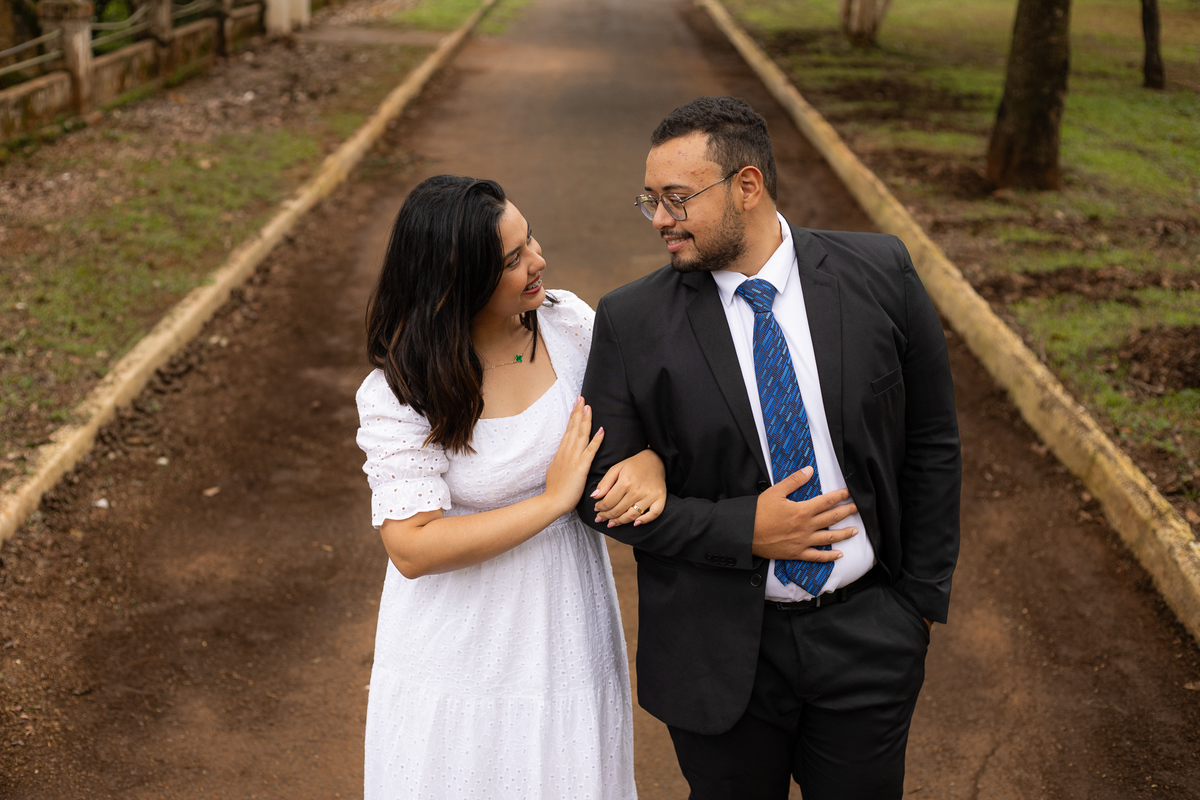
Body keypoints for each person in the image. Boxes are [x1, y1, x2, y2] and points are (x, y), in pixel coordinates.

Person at [578, 97, 962, 799]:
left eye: (676, 198)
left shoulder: (881, 271)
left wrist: (916, 603)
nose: (660, 218)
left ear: (746, 186)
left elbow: (932, 438)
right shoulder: (631, 321)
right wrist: (742, 530)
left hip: (869, 636)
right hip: (716, 655)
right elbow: (598, 498)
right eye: (650, 200)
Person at [355, 174, 661, 800]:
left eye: (532, 241)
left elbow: (639, 425)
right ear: (456, 280)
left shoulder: (570, 325)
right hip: (458, 648)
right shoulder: (399, 390)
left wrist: (650, 458)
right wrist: (552, 500)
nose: (537, 261)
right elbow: (412, 547)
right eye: (511, 259)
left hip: (568, 625)